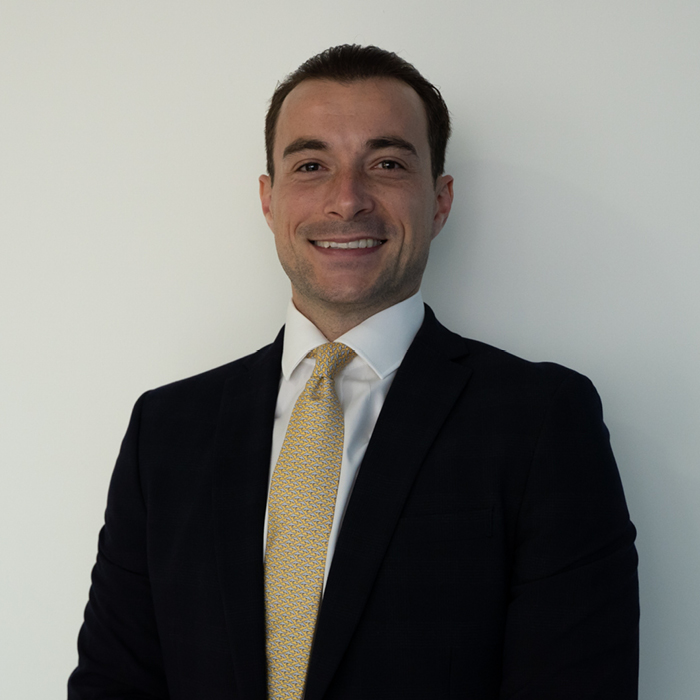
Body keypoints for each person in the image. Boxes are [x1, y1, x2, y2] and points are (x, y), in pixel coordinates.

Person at [69, 45, 639, 700]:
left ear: (440, 200)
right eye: (312, 165)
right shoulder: (167, 431)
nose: (347, 200)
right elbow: (114, 684)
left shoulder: (542, 422)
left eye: (387, 163)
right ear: (268, 199)